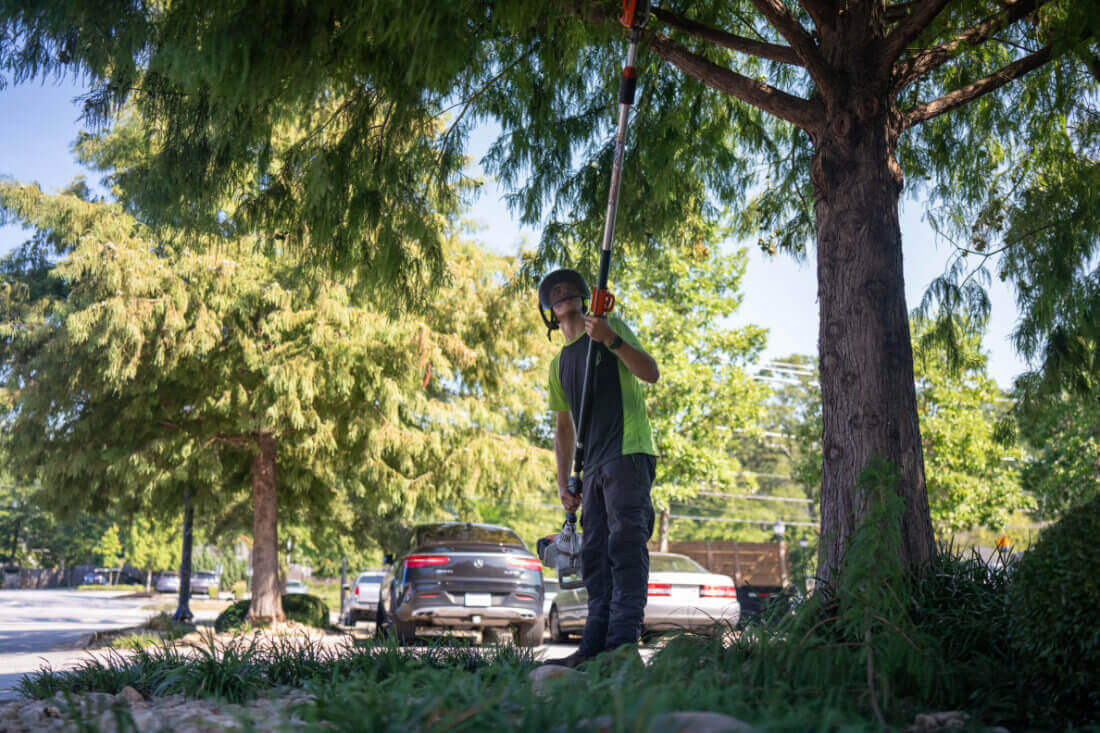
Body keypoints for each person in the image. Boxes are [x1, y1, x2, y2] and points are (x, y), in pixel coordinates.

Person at [538, 268, 659, 668]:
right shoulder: (558, 366)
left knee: (625, 547)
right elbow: (563, 428)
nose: (560, 293)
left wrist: (611, 339)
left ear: (582, 297)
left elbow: (650, 372)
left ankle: (622, 648)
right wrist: (563, 485)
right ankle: (594, 647)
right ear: (550, 312)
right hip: (592, 469)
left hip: (628, 452)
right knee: (594, 555)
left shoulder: (609, 330)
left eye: (567, 289)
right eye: (552, 294)